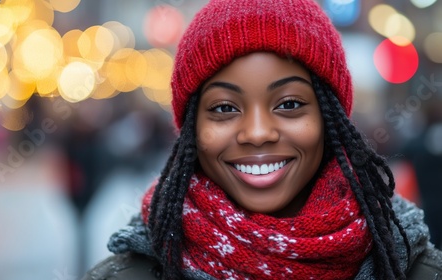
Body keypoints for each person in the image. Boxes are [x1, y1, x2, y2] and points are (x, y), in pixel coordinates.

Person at [83, 0, 442, 279]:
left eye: (288, 104)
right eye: (224, 108)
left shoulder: (414, 269)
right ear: (192, 128)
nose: (257, 133)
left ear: (330, 118)